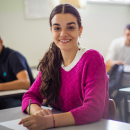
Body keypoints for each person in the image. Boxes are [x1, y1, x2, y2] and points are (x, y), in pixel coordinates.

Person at [20, 4, 109, 130]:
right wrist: (38, 112)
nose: (63, 34)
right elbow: (29, 97)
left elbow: (93, 109)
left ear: (80, 30)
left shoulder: (92, 58)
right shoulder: (50, 62)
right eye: (57, 28)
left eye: (70, 27)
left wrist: (50, 121)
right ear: (51, 31)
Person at [0, 36, 34, 109]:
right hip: (6, 98)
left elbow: (25, 83)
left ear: (1, 42)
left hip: (21, 98)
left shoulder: (13, 57)